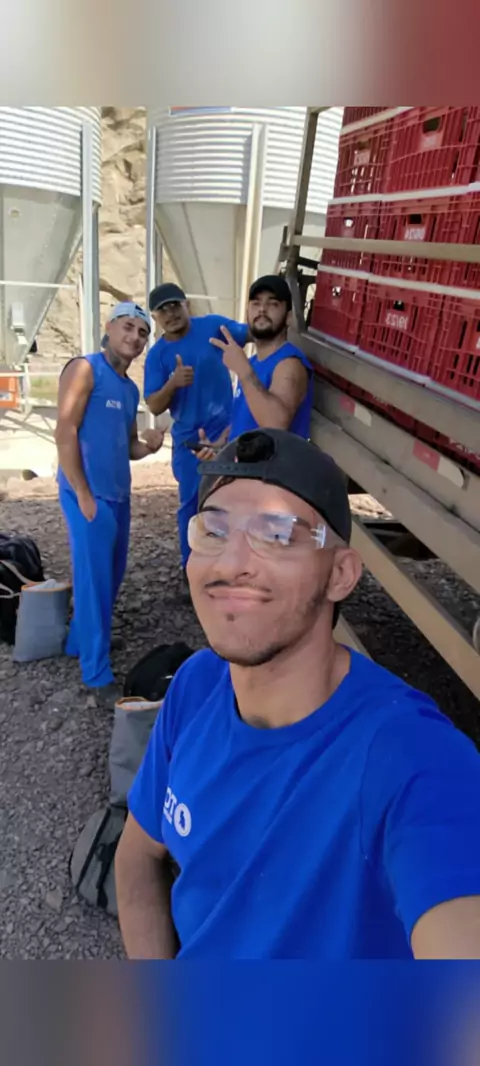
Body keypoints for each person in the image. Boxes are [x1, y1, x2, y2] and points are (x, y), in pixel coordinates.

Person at [116, 428, 480, 960]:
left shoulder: (411, 759)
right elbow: (136, 857)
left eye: (278, 534)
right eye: (213, 530)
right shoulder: (196, 685)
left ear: (340, 575)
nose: (229, 564)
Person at [55, 302, 164, 703]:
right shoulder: (85, 369)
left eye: (142, 332)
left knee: (109, 576)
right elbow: (65, 431)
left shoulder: (129, 389)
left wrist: (149, 447)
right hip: (88, 494)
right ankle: (96, 672)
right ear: (109, 327)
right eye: (128, 327)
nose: (135, 337)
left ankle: (79, 642)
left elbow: (129, 445)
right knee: (94, 581)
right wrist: (83, 494)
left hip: (119, 495)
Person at [143, 283, 249, 570]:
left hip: (229, 434)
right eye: (162, 310)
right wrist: (173, 383)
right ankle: (192, 567)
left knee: (235, 500)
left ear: (186, 305)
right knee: (191, 504)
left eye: (175, 305)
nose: (171, 314)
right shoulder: (157, 355)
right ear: (155, 317)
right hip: (190, 442)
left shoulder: (212, 326)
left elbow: (251, 333)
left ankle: (232, 564)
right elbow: (153, 405)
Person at [197, 275, 313, 460]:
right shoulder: (252, 362)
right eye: (256, 303)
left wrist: (243, 371)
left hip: (272, 474)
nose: (262, 309)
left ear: (289, 317)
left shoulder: (289, 364)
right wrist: (221, 445)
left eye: (273, 304)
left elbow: (275, 425)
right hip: (243, 470)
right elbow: (245, 417)